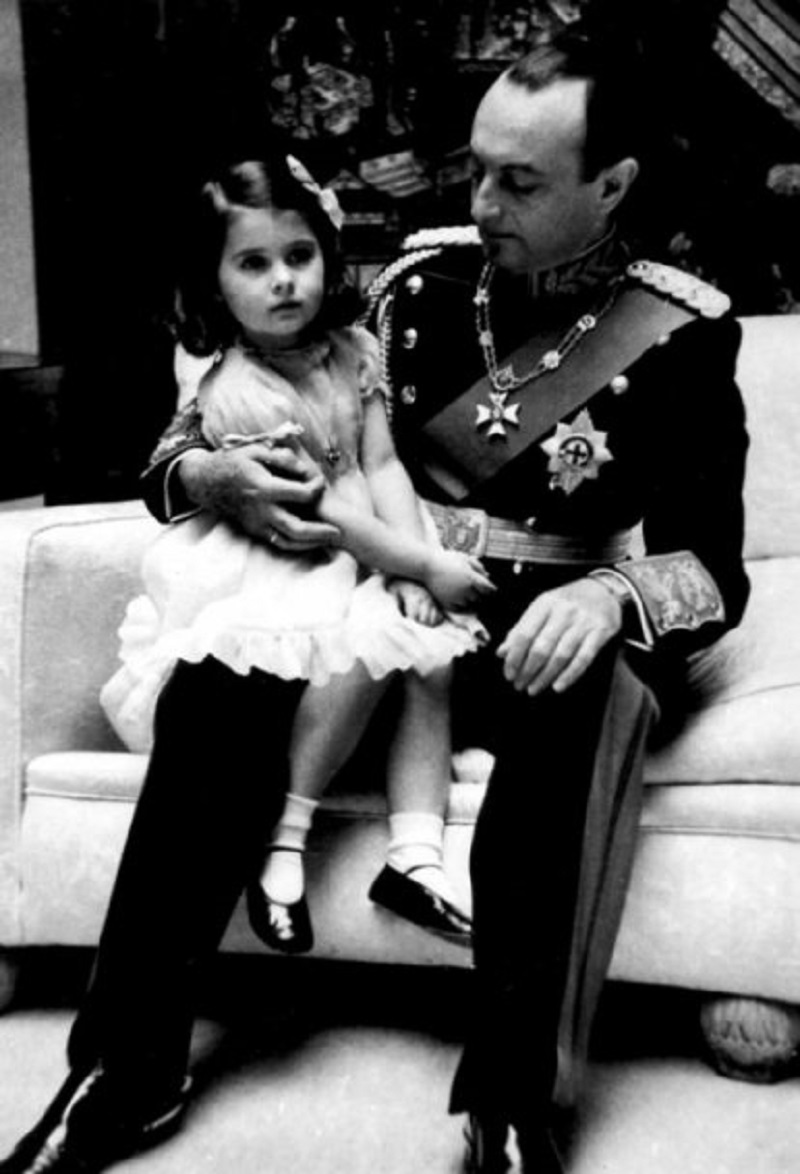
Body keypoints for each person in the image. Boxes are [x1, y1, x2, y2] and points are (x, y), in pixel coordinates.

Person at [0, 21, 749, 1174]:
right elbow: (188, 442)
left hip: (537, 625)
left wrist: (608, 594)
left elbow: (710, 569)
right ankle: (127, 1064)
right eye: (476, 169)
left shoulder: (681, 336)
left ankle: (509, 1100)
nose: (480, 202)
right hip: (378, 604)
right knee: (219, 682)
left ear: (611, 185)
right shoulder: (415, 288)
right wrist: (209, 477)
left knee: (575, 688)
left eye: (519, 182)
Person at [98, 152, 490, 955]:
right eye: (254, 264)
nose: (283, 280)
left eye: (299, 255)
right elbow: (320, 507)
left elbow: (382, 465)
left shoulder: (353, 351)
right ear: (215, 285)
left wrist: (415, 566)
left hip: (371, 542)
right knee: (362, 648)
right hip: (294, 561)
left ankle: (416, 856)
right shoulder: (234, 386)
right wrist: (416, 567)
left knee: (432, 658)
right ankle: (284, 840)